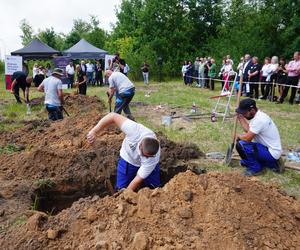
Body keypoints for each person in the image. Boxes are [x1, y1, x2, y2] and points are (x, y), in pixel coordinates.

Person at [87, 113, 160, 191]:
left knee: (153, 190)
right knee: (121, 188)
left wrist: (128, 193)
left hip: (149, 166)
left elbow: (138, 179)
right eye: (143, 154)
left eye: (147, 156)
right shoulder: (134, 130)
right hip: (128, 159)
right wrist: (94, 131)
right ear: (140, 145)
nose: (143, 157)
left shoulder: (152, 159)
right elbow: (113, 116)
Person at [235, 98, 283, 176]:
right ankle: (272, 164)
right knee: (243, 143)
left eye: (244, 113)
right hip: (269, 149)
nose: (243, 114)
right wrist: (241, 118)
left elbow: (247, 138)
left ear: (252, 110)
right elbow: (249, 130)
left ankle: (255, 168)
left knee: (241, 145)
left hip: (271, 152)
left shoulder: (259, 120)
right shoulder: (259, 116)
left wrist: (238, 136)